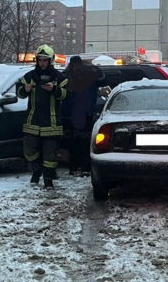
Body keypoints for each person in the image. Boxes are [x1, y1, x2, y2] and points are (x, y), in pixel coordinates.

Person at [17, 45, 68, 189]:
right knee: (29, 150)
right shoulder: (29, 77)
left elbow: (66, 94)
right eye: (40, 60)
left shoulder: (59, 77)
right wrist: (24, 90)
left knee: (50, 154)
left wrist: (55, 90)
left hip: (52, 123)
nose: (42, 63)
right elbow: (19, 93)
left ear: (50, 60)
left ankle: (48, 180)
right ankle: (37, 170)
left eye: (45, 60)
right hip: (32, 121)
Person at [62, 56, 104, 176]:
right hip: (85, 113)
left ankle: (74, 167)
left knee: (73, 142)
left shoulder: (66, 76)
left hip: (71, 114)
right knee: (84, 142)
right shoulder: (90, 75)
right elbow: (102, 80)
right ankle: (84, 167)